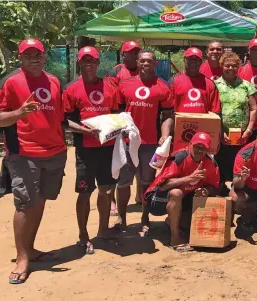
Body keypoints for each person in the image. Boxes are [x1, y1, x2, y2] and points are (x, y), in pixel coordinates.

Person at [0, 39, 67, 284]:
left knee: (40, 200)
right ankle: (22, 257)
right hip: (24, 152)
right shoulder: (8, 82)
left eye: (38, 54)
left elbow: (59, 116)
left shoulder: (54, 81)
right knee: (25, 203)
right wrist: (19, 113)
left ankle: (32, 249)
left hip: (54, 152)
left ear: (44, 56)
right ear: (20, 57)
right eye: (29, 54)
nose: (34, 58)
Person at [63, 46, 119, 255]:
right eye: (85, 60)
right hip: (86, 150)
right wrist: (86, 130)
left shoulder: (110, 87)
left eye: (92, 60)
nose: (89, 64)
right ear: (79, 63)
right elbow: (65, 121)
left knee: (106, 190)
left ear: (97, 63)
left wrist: (118, 129)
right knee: (85, 193)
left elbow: (116, 115)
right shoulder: (71, 89)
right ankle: (83, 235)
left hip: (108, 148)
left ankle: (103, 231)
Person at [117, 50, 174, 236]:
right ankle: (122, 218)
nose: (145, 64)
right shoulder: (124, 85)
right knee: (124, 182)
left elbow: (167, 115)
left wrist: (165, 135)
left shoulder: (163, 87)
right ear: (137, 62)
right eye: (142, 61)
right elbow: (117, 112)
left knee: (146, 182)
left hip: (149, 143)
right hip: (127, 142)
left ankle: (144, 217)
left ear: (155, 63)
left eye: (149, 61)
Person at [143, 132, 219, 252]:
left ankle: (171, 222)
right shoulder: (179, 157)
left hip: (184, 198)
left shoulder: (210, 163)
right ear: (190, 144)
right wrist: (189, 178)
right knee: (176, 193)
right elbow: (162, 186)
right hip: (156, 199)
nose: (199, 150)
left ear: (207, 149)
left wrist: (205, 190)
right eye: (196, 146)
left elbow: (214, 186)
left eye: (203, 147)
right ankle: (175, 238)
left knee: (202, 202)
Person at [215, 52, 257, 195]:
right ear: (222, 66)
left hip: (243, 136)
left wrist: (249, 130)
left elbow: (253, 108)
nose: (230, 68)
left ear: (238, 67)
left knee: (241, 165)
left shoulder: (246, 86)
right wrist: (220, 133)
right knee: (221, 166)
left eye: (234, 65)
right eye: (227, 65)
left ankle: (239, 195)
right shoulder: (215, 85)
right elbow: (214, 111)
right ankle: (221, 195)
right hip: (222, 136)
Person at [105, 40, 142, 208]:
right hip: (120, 122)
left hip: (140, 121)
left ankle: (139, 196)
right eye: (130, 52)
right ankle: (112, 200)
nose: (134, 55)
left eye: (137, 52)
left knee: (139, 162)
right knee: (118, 161)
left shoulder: (144, 70)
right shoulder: (116, 71)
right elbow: (111, 95)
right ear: (123, 54)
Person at [169, 47, 221, 115]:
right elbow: (168, 110)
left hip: (203, 124)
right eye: (190, 59)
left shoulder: (209, 84)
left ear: (201, 62)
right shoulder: (174, 81)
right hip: (180, 124)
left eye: (197, 59)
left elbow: (215, 112)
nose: (193, 62)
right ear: (184, 60)